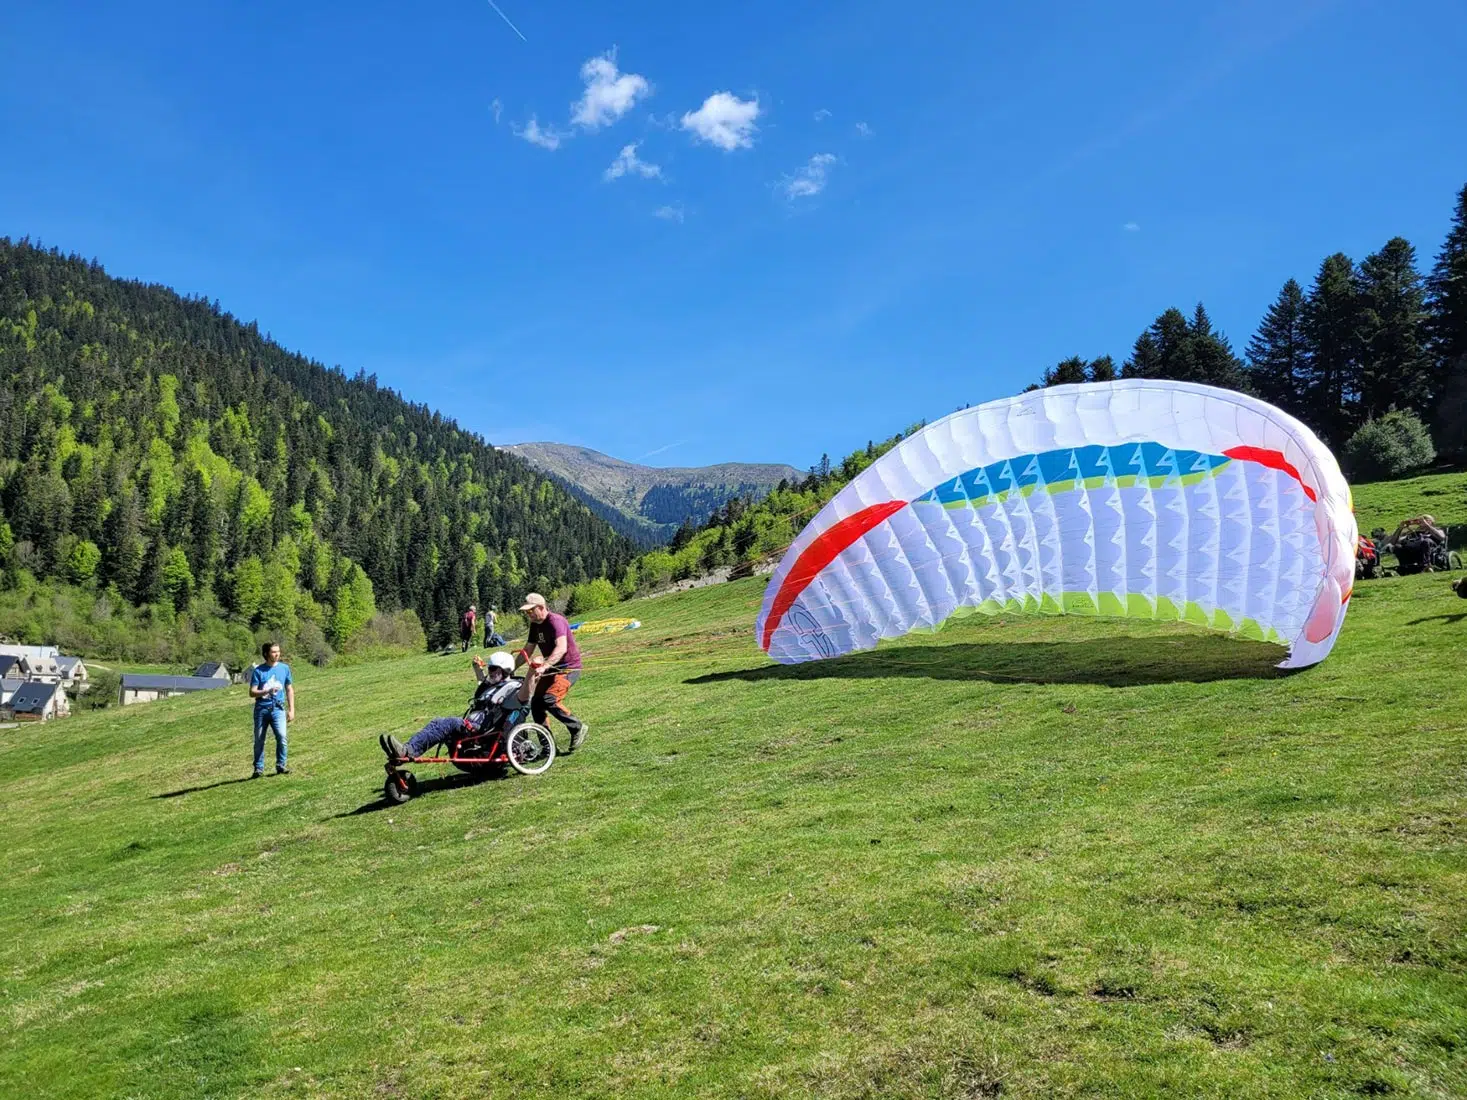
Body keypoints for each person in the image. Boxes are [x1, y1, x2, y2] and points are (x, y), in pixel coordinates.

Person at [382, 651, 522, 760]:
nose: (489, 672)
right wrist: (477, 668)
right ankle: (406, 750)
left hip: (480, 729)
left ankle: (408, 751)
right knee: (437, 722)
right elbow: (483, 681)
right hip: (473, 725)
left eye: (492, 668)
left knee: (450, 723)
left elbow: (522, 697)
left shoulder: (510, 688)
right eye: (489, 668)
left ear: (504, 670)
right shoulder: (493, 685)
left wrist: (532, 672)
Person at [514, 592, 587, 753]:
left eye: (530, 610)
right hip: (551, 668)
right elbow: (528, 649)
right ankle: (548, 746)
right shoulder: (535, 625)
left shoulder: (556, 621)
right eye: (526, 612)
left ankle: (577, 727)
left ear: (541, 607)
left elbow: (561, 647)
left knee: (549, 699)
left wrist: (545, 665)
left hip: (568, 668)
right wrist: (511, 668)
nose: (528, 614)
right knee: (536, 703)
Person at [249, 641, 294, 777]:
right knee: (259, 740)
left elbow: (289, 689)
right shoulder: (259, 671)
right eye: (274, 652)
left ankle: (281, 765)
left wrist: (291, 709)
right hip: (261, 709)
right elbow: (252, 692)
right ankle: (258, 769)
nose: (277, 654)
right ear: (266, 654)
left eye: (278, 651)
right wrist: (266, 691)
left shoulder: (284, 668)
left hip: (278, 708)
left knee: (282, 737)